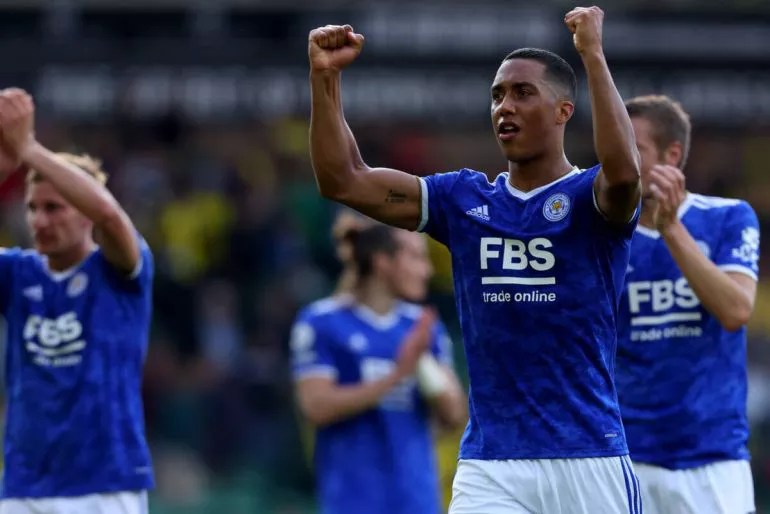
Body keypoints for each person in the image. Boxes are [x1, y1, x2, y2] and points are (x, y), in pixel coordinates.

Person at [307, 5, 643, 513]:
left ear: (563, 111)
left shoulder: (590, 200)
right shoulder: (462, 201)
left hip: (588, 456)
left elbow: (625, 174)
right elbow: (344, 180)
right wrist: (325, 78)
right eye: (497, 95)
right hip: (491, 466)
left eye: (523, 93)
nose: (505, 106)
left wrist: (592, 54)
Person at [0, 88, 153, 513]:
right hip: (24, 485)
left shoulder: (119, 270)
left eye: (54, 208)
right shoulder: (16, 273)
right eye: (33, 208)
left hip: (104, 485)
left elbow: (110, 215)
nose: (39, 220)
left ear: (84, 212)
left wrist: (28, 149)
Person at [615, 94, 759, 514]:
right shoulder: (603, 234)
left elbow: (736, 311)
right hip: (624, 459)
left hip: (712, 459)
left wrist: (671, 229)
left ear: (672, 156)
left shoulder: (728, 218)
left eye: (634, 147)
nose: (618, 158)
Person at [290, 223, 466, 514]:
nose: (427, 270)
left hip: (418, 499)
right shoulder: (322, 322)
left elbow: (455, 415)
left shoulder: (422, 327)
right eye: (416, 258)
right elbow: (315, 406)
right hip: (353, 501)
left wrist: (423, 366)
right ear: (383, 262)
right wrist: (397, 375)